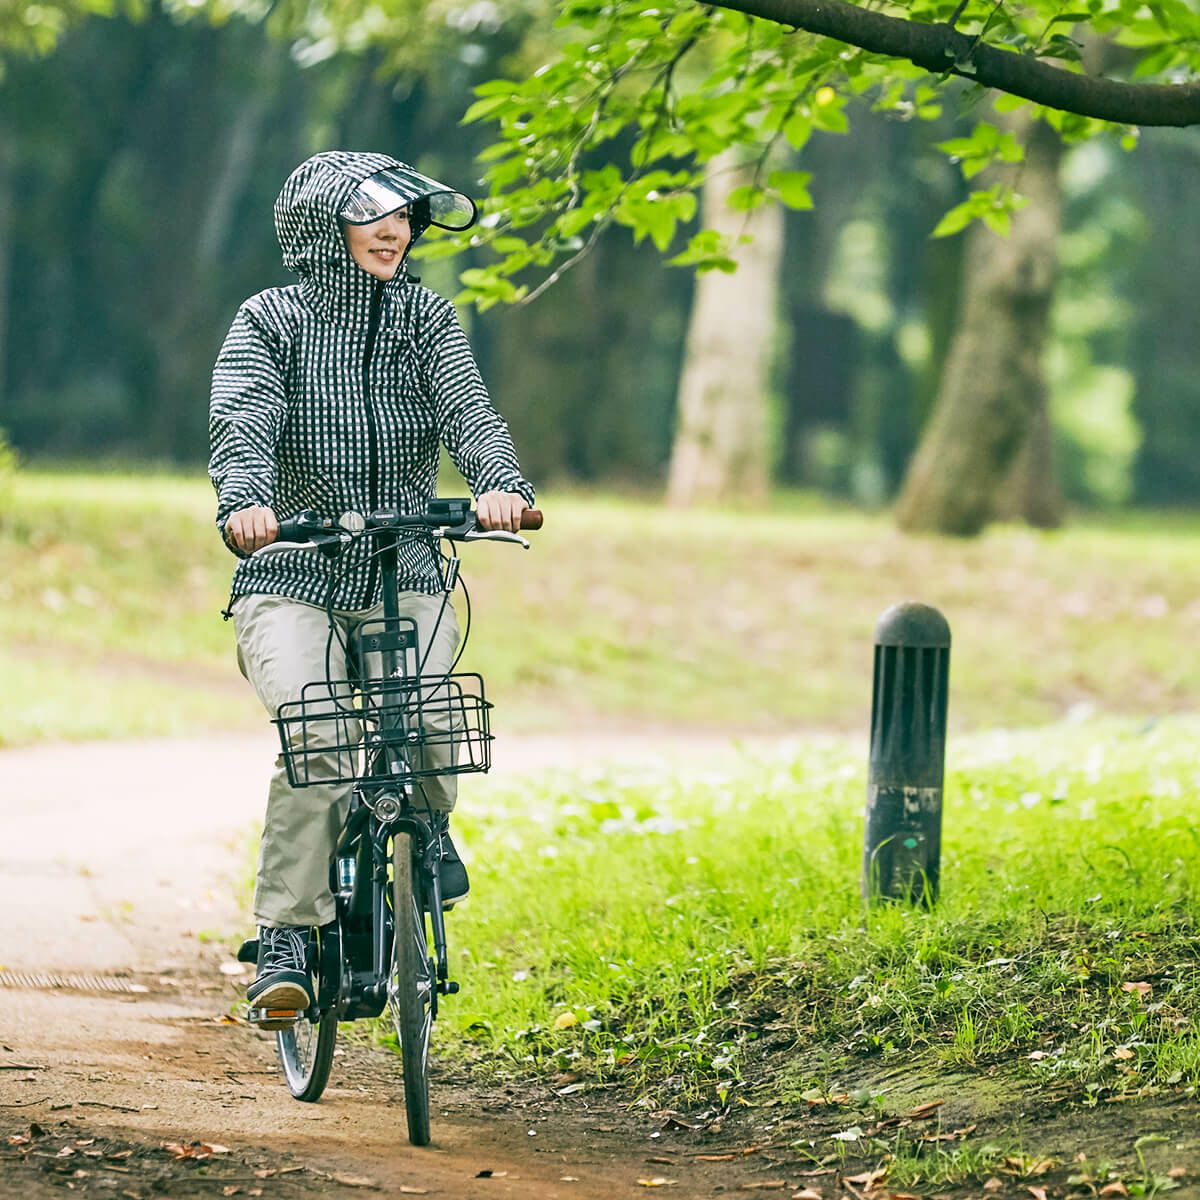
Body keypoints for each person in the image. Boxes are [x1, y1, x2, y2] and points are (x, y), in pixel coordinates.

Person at [208, 150, 534, 1021]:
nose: (396, 231)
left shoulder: (426, 316)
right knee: (316, 731)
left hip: (406, 565)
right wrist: (247, 502)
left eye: (405, 218)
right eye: (374, 216)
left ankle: (425, 835)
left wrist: (501, 485)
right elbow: (244, 414)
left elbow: (470, 412)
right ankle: (285, 934)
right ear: (323, 226)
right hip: (293, 569)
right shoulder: (269, 319)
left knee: (432, 719)